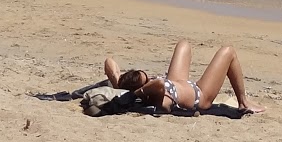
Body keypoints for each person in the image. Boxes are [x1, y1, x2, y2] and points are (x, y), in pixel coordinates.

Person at [103, 38, 262, 115]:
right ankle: (243, 102)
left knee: (183, 44)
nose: (150, 79)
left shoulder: (143, 88)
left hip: (176, 82)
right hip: (200, 95)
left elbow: (108, 62)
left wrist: (117, 83)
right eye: (147, 80)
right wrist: (138, 93)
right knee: (228, 52)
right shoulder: (156, 95)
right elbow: (158, 83)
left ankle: (244, 101)